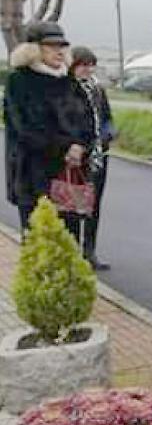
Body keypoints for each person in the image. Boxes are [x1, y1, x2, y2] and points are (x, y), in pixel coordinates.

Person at [4, 22, 88, 232]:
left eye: (62, 46)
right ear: (34, 49)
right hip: (33, 171)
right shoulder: (19, 81)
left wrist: (80, 145)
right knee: (38, 237)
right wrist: (65, 147)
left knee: (69, 235)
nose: (59, 51)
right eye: (51, 45)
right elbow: (24, 127)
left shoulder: (69, 82)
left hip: (69, 171)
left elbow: (86, 119)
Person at [68, 47, 115, 270]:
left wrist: (108, 133)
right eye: (82, 65)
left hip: (98, 155)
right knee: (75, 205)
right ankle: (74, 250)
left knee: (94, 205)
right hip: (78, 156)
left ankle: (90, 250)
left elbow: (107, 117)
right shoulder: (67, 91)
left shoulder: (97, 89)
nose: (87, 69)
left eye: (90, 65)